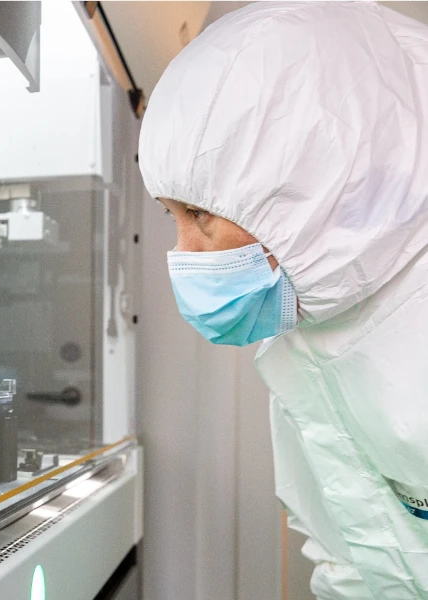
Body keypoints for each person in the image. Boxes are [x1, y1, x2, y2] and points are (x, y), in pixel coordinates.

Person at [139, 3, 428, 598]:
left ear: (313, 183)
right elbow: (352, 547)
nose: (185, 252)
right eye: (171, 216)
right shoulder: (304, 329)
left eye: (198, 214)